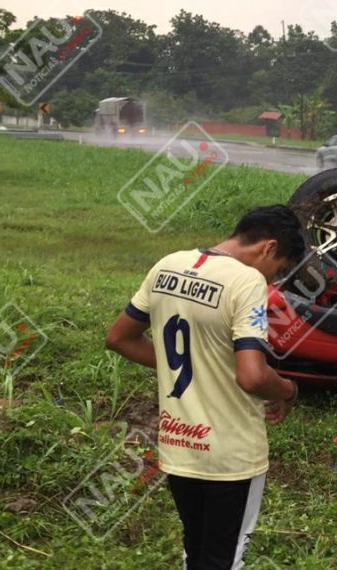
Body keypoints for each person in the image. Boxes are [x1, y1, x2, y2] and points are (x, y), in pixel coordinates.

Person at [104, 205, 306, 569]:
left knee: (195, 548)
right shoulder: (247, 282)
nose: (273, 282)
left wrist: (186, 363)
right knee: (222, 560)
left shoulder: (168, 265)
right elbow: (253, 376)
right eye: (277, 272)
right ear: (269, 248)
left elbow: (120, 338)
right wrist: (288, 390)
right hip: (231, 457)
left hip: (179, 447)